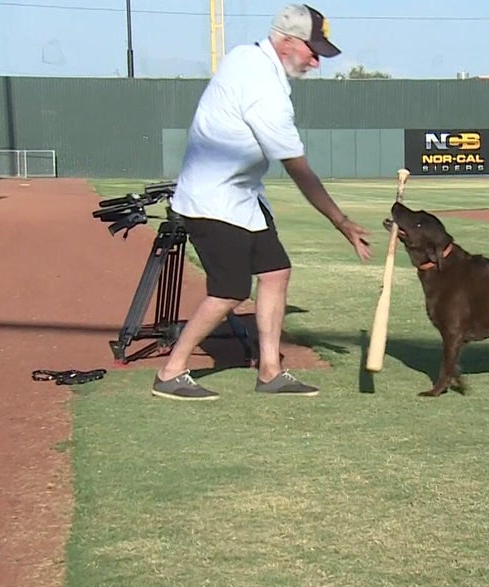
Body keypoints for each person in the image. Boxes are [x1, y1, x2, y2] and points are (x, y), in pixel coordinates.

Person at [152, 3, 373, 401]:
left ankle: (270, 371)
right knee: (230, 291)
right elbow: (298, 169)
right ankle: (171, 371)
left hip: (243, 198)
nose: (316, 62)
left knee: (275, 272)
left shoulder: (247, 57)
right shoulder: (263, 86)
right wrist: (341, 222)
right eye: (313, 51)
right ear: (287, 41)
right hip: (212, 201)